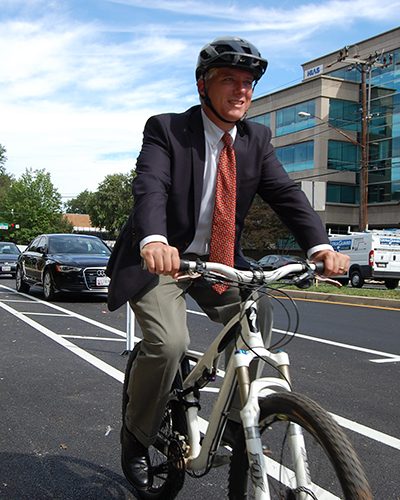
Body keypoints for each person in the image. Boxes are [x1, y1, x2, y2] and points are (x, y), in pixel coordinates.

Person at [106, 36, 350, 491]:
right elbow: (151, 187)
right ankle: (137, 435)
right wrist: (155, 240)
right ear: (203, 86)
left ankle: (240, 422)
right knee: (169, 344)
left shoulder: (257, 139)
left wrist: (319, 247)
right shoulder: (167, 129)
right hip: (165, 262)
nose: (241, 91)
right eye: (228, 80)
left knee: (261, 313)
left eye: (248, 83)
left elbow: (288, 197)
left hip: (218, 263)